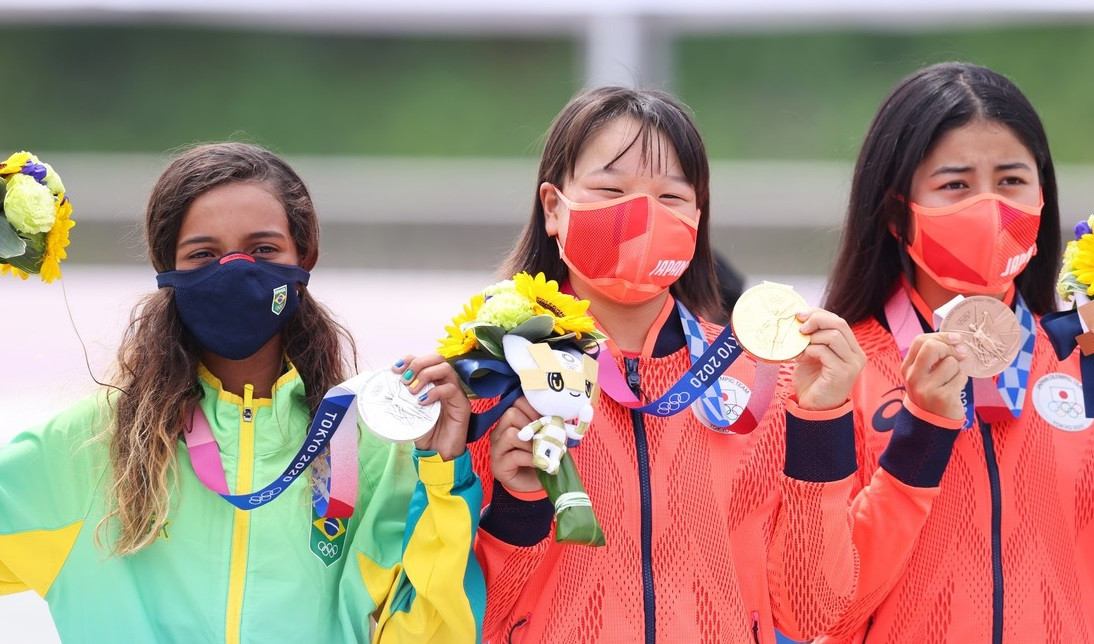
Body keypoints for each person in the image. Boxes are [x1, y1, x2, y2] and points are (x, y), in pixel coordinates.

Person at [467, 85, 942, 644]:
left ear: (697, 217)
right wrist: (517, 508)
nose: (641, 216)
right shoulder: (490, 377)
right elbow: (464, 617)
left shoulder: (767, 377)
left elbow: (814, 611)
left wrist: (822, 421)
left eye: (670, 198)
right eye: (609, 190)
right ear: (554, 207)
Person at [0, 143, 484, 643]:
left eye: (263, 250)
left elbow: (434, 633)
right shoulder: (85, 447)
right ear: (167, 267)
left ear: (305, 257)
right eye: (204, 254)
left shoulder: (373, 449)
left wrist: (442, 472)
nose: (235, 269)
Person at [820, 62, 1094, 642]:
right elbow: (824, 611)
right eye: (956, 184)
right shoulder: (838, 372)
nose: (990, 206)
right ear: (897, 213)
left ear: (1043, 198)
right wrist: (919, 440)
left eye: (1012, 181)